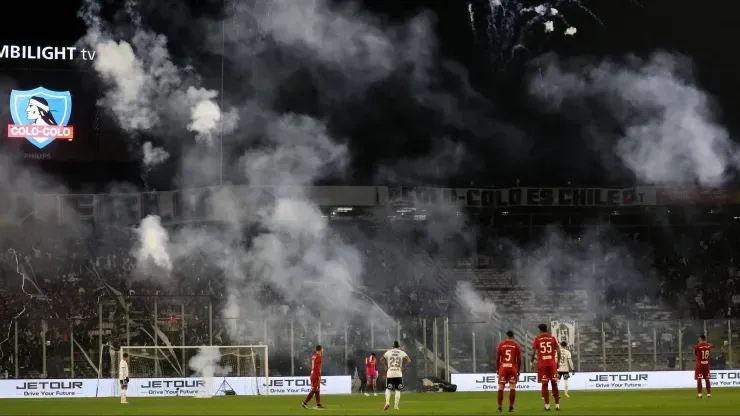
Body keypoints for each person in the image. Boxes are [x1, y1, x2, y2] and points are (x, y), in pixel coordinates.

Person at [531, 324, 560, 411]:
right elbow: (558, 351)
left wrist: (531, 362)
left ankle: (547, 406)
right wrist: (557, 362)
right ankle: (557, 406)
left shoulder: (537, 339)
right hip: (552, 364)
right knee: (554, 384)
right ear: (546, 329)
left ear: (540, 330)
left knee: (544, 384)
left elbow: (533, 352)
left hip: (542, 364)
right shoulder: (552, 338)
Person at [495, 331, 521, 412]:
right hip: (512, 368)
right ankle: (511, 407)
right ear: (513, 336)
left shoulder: (501, 345)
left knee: (501, 388)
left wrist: (497, 369)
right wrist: (518, 369)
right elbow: (519, 359)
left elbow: (497, 359)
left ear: (506, 336)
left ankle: (499, 407)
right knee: (512, 387)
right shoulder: (516, 345)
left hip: (503, 368)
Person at [381, 341, 411, 411]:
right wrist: (404, 368)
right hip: (398, 373)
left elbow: (381, 359)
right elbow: (409, 361)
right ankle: (396, 406)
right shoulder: (402, 352)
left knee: (388, 389)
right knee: (398, 390)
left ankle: (387, 403)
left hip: (390, 373)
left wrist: (385, 366)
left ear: (393, 346)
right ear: (399, 346)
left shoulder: (388, 352)